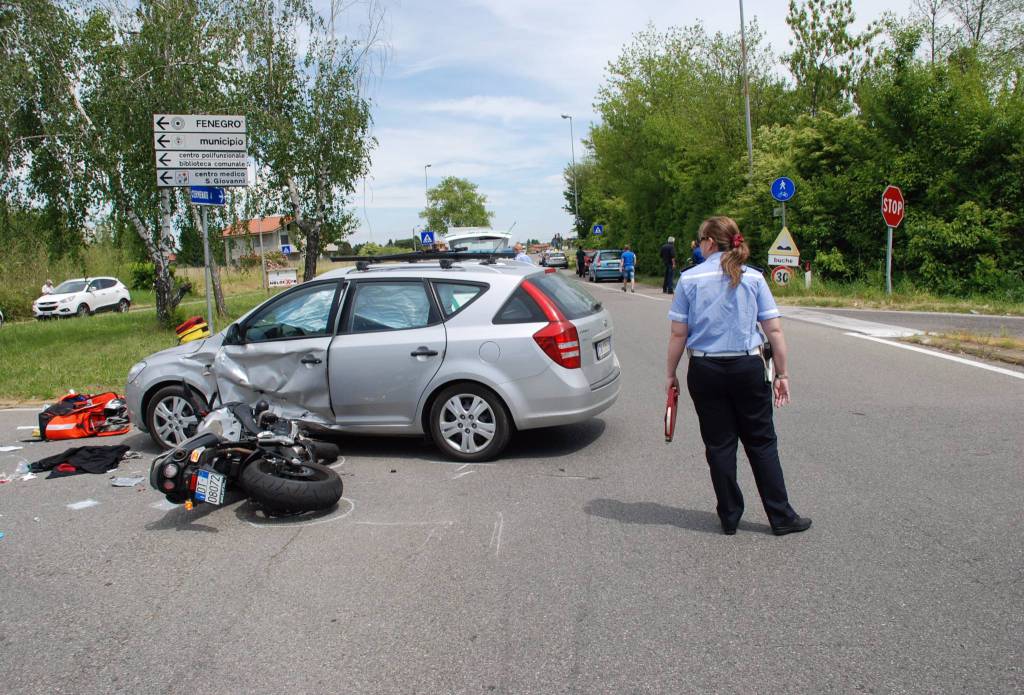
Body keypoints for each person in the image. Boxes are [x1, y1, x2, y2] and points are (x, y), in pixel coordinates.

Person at [665, 216, 811, 537]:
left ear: (708, 242)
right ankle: (781, 517)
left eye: (700, 239)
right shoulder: (754, 278)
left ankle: (730, 516)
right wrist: (782, 374)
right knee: (761, 442)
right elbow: (774, 330)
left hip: (705, 370)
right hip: (748, 368)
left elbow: (678, 335)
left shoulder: (689, 280)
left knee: (719, 445)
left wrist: (670, 374)